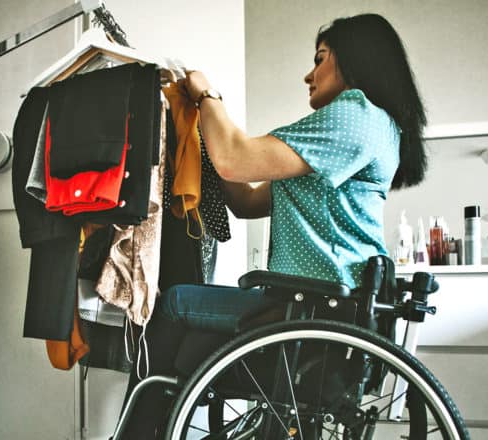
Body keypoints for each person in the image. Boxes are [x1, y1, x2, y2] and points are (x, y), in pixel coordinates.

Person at [117, 13, 427, 438]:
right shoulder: (374, 130)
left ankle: (140, 430)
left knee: (170, 303)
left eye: (320, 59)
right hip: (323, 305)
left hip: (310, 309)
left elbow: (237, 157)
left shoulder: (355, 113)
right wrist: (199, 138)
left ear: (356, 60)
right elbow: (243, 199)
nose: (308, 74)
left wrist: (208, 94)